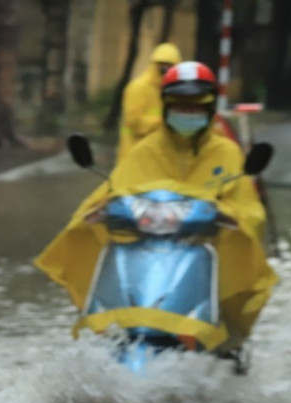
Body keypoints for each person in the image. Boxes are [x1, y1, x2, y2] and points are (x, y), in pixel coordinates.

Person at [38, 62, 277, 353]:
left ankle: (225, 343)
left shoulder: (226, 152)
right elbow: (116, 188)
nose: (187, 112)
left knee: (235, 289)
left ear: (211, 108)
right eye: (180, 106)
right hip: (146, 245)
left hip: (202, 247)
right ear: (165, 106)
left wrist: (232, 218)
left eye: (196, 106)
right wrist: (94, 212)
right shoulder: (147, 149)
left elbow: (249, 208)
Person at [117, 42, 182, 163]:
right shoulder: (138, 88)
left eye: (169, 65)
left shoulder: (171, 90)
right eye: (162, 64)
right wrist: (165, 121)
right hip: (134, 157)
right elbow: (135, 123)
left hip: (159, 158)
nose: (165, 69)